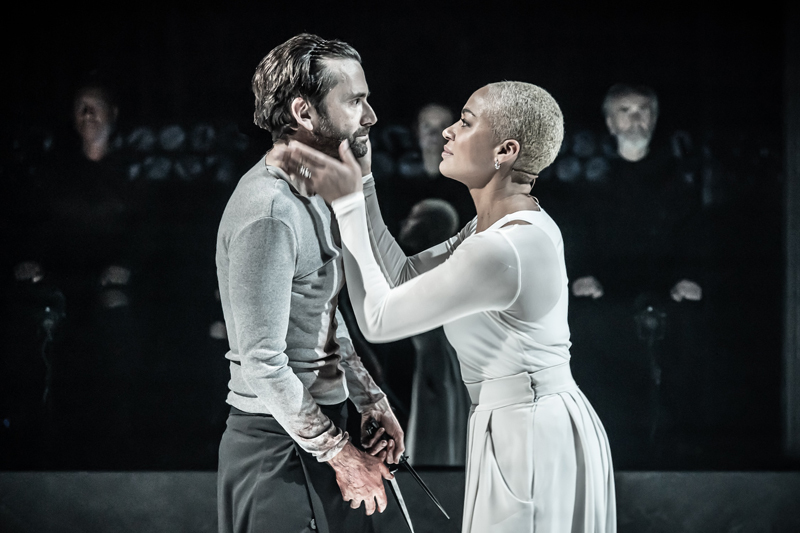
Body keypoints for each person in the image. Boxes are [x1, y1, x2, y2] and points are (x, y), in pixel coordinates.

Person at [275, 81, 616, 532]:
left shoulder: (502, 249)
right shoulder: (487, 229)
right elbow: (398, 279)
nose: (449, 132)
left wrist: (349, 202)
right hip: (517, 421)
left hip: (531, 432)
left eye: (466, 122)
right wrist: (366, 183)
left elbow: (379, 320)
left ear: (505, 150)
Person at [215, 34, 404, 533]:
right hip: (275, 443)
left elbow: (325, 311)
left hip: (323, 423)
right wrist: (340, 454)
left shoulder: (313, 191)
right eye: (355, 100)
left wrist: (369, 399)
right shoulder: (270, 210)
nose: (370, 117)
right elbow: (261, 361)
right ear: (304, 111)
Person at [398, 199, 470, 467]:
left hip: (440, 362)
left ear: (430, 228)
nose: (405, 223)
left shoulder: (434, 266)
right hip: (434, 361)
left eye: (414, 217)